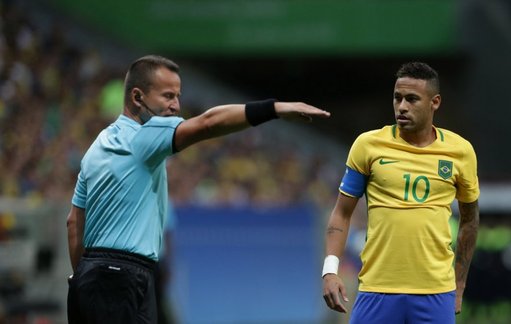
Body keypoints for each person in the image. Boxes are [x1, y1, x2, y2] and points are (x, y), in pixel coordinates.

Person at [66, 55, 330, 324]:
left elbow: (74, 223)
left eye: (178, 96)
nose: (176, 105)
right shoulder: (144, 136)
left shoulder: (96, 148)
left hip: (95, 276)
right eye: (167, 96)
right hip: (122, 276)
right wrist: (274, 109)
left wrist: (83, 279)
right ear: (137, 97)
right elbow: (208, 123)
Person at [321, 62, 480, 324]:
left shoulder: (460, 152)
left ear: (435, 102)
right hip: (377, 289)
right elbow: (342, 212)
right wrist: (330, 271)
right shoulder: (368, 146)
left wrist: (459, 285)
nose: (402, 106)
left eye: (412, 99)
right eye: (397, 98)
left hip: (436, 292)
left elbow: (470, 219)